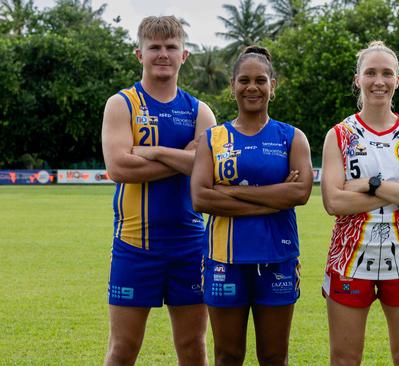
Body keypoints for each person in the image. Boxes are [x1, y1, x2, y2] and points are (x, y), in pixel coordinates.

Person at [101, 16, 216, 366]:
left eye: (171, 47)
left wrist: (150, 152)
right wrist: (185, 158)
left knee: (193, 346)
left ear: (184, 55)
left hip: (190, 247)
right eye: (154, 47)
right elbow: (119, 168)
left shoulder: (200, 111)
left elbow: (205, 174)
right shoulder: (121, 104)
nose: (162, 54)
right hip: (135, 246)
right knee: (123, 349)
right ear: (139, 54)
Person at [190, 45, 313, 366]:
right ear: (232, 85)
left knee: (274, 357)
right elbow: (201, 198)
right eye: (244, 80)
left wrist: (230, 193)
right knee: (227, 356)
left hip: (277, 257)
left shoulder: (292, 137)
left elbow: (300, 193)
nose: (252, 87)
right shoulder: (212, 138)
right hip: (224, 259)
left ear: (273, 85)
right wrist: (274, 196)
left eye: (261, 80)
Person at [321, 41, 399, 366]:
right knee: (344, 359)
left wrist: (369, 186)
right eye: (370, 73)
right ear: (357, 79)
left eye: (387, 73)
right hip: (349, 259)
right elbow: (333, 201)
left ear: (397, 80)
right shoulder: (340, 135)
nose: (379, 81)